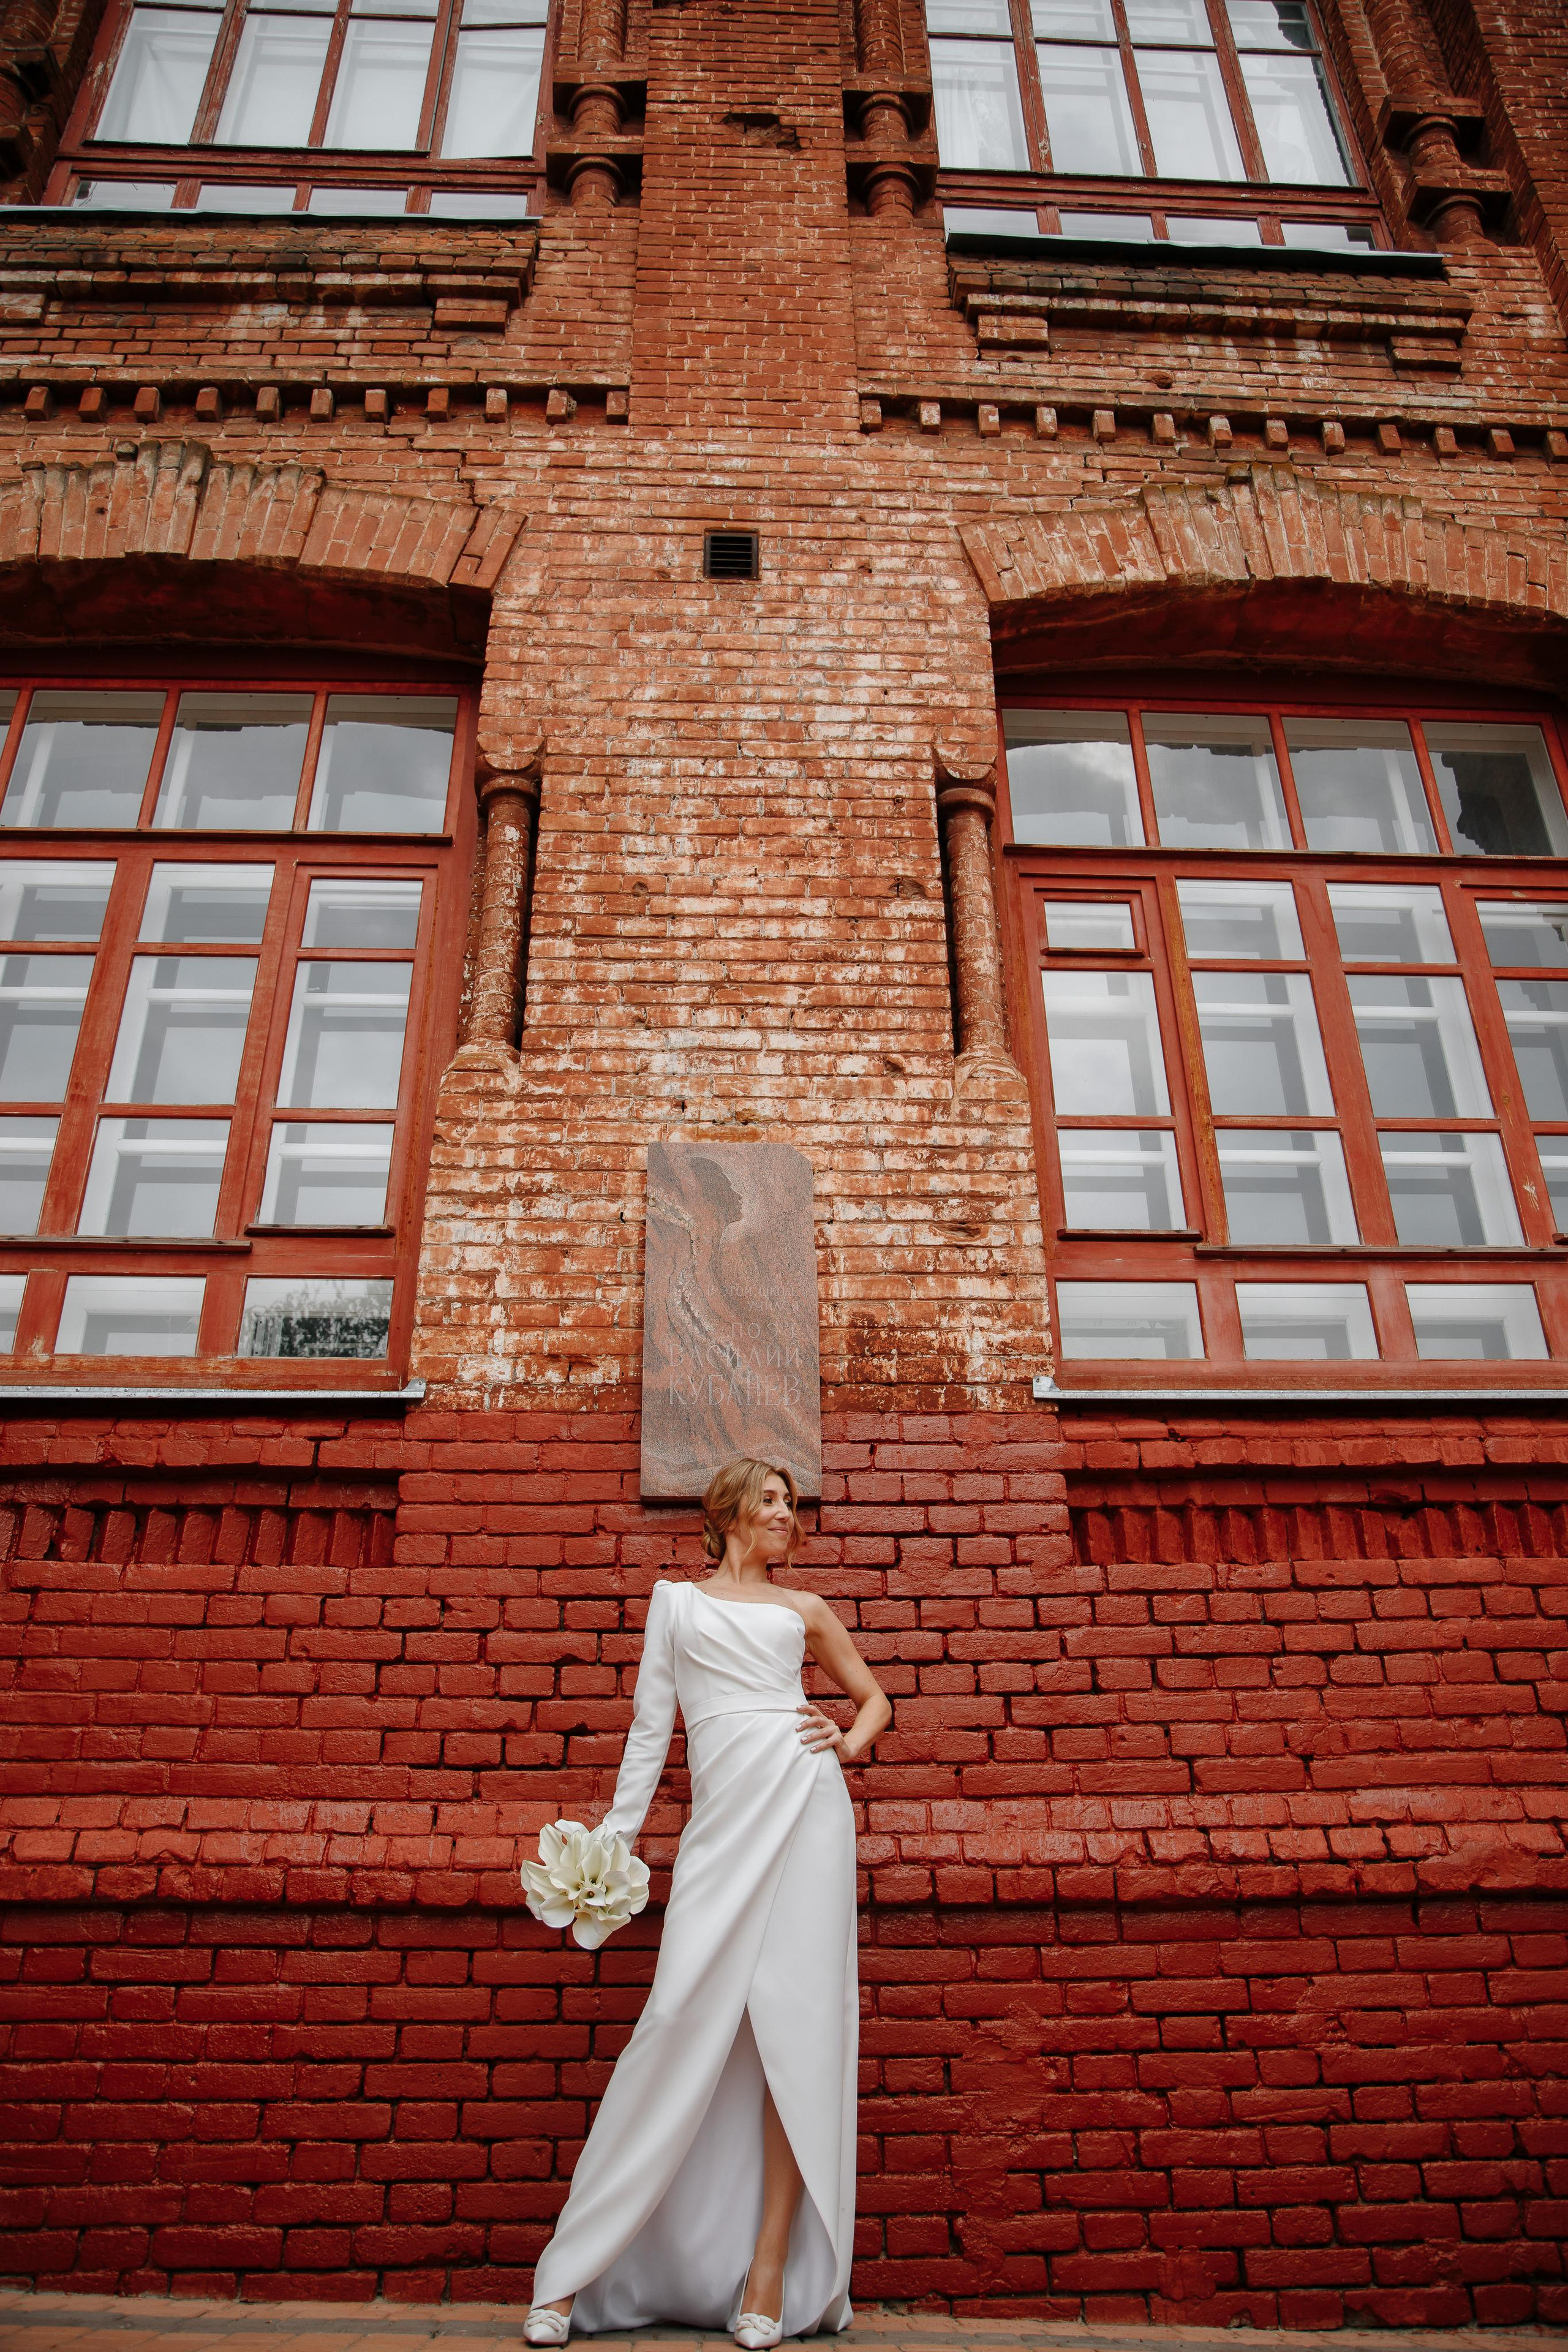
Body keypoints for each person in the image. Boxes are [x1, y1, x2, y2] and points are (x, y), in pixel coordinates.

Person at [524, 1457, 891, 2348]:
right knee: (676, 2019)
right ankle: (572, 2271)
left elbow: (875, 1698)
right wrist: (612, 1841)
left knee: (792, 2039)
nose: (786, 1514)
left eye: (792, 1503)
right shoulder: (676, 1606)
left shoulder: (806, 1611)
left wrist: (844, 1745)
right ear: (727, 1510)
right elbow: (652, 1731)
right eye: (771, 1499)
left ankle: (767, 2271)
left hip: (806, 1811)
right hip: (723, 1831)